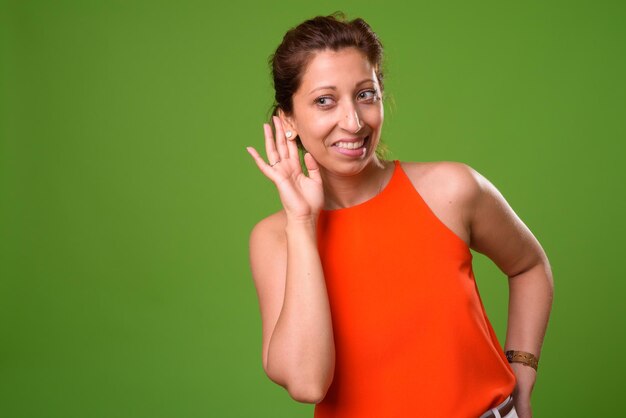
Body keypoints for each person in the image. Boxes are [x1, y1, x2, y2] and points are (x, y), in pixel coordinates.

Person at [246, 12, 554, 418]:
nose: (353, 122)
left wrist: (523, 369)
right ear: (288, 121)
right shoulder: (277, 238)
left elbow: (529, 266)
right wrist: (302, 223)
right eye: (325, 100)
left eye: (365, 94)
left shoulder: (450, 189)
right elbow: (307, 382)